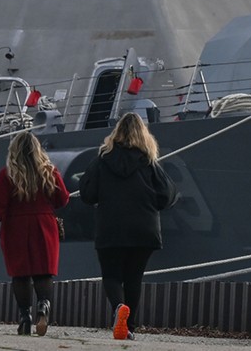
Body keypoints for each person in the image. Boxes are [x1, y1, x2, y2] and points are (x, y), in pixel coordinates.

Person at [78, 112, 177, 341]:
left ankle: (118, 308)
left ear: (116, 133)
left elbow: (87, 194)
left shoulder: (101, 160)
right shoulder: (149, 162)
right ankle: (129, 327)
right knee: (134, 278)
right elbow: (166, 195)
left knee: (112, 276)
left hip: (110, 229)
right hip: (144, 229)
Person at [0, 131, 69, 336]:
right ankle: (43, 306)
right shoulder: (49, 171)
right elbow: (63, 199)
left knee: (21, 275)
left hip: (16, 228)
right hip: (43, 226)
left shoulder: (7, 174)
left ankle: (25, 319)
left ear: (14, 151)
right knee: (43, 272)